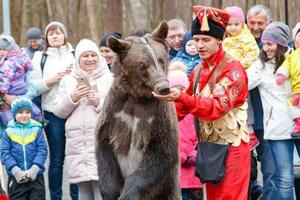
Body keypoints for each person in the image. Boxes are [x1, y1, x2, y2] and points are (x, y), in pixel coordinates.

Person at [154, 6, 250, 199]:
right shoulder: (198, 70)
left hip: (232, 150)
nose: (200, 45)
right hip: (208, 149)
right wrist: (154, 113)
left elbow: (216, 108)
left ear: (220, 40)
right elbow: (180, 109)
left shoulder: (232, 70)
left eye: (206, 40)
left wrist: (180, 96)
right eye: (196, 39)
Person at [54, 39, 113, 200]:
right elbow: (58, 111)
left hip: (101, 141)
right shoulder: (68, 80)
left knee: (102, 189)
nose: (90, 59)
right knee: (83, 191)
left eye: (93, 55)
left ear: (99, 57)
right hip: (77, 144)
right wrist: (73, 97)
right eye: (85, 56)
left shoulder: (109, 79)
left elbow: (117, 111)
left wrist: (98, 102)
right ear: (78, 59)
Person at [246, 21, 300, 200]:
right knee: (284, 178)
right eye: (264, 43)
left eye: (270, 43)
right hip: (277, 129)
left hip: (298, 124)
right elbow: (242, 83)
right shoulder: (260, 66)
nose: (265, 47)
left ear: (282, 44)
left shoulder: (296, 59)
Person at [30, 21, 78, 200]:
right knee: (57, 159)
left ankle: (77, 196)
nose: (55, 36)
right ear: (47, 38)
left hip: (75, 110)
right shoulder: (39, 58)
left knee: (75, 158)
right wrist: (51, 80)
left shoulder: (75, 54)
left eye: (58, 33)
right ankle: (56, 197)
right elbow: (33, 88)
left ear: (65, 35)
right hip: (52, 113)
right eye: (51, 34)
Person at [247, 5, 277, 200]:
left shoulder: (275, 47)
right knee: (244, 172)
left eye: (261, 23)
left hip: (269, 120)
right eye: (252, 22)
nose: (256, 27)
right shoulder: (234, 44)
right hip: (243, 122)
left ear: (269, 24)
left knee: (271, 171)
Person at [167, 65, 203, 200]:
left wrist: (193, 154)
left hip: (193, 167)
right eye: (175, 89)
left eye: (182, 89)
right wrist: (178, 156)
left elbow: (199, 137)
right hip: (174, 168)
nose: (179, 93)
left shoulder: (193, 113)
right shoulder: (166, 114)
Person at [1, 97, 47, 200]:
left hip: (36, 177)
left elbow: (42, 150)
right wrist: (16, 171)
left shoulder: (37, 130)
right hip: (16, 178)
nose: (24, 115)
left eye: (27, 112)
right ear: (14, 114)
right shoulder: (8, 132)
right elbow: (5, 153)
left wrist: (35, 169)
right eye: (20, 112)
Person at [0, 34, 41, 126]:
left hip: (14, 94)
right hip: (14, 95)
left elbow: (31, 88)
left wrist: (7, 97)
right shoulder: (19, 60)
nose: (2, 52)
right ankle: (37, 117)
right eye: (0, 50)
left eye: (5, 49)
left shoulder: (8, 64)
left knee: (11, 118)